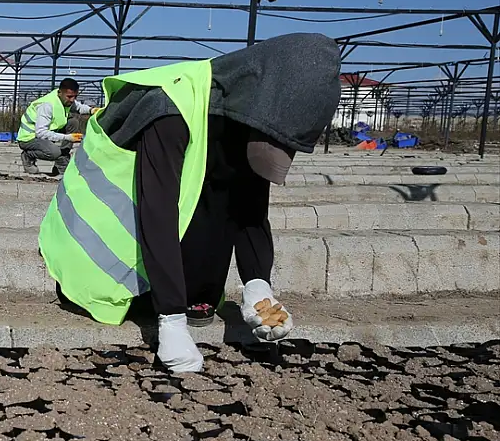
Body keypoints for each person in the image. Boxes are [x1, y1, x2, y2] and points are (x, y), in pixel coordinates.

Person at [38, 33, 342, 372]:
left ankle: (184, 292)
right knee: (130, 265)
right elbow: (158, 211)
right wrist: (171, 319)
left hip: (159, 228)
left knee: (224, 187)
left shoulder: (246, 114)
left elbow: (251, 205)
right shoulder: (171, 107)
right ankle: (156, 299)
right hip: (97, 240)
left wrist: (258, 283)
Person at [17, 77, 97, 175]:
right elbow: (41, 133)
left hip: (45, 132)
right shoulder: (47, 105)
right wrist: (67, 137)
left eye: (75, 96)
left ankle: (61, 162)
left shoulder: (65, 100)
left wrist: (91, 110)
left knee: (73, 122)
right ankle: (28, 155)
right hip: (29, 138)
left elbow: (79, 107)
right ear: (60, 93)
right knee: (54, 152)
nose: (72, 100)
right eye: (69, 96)